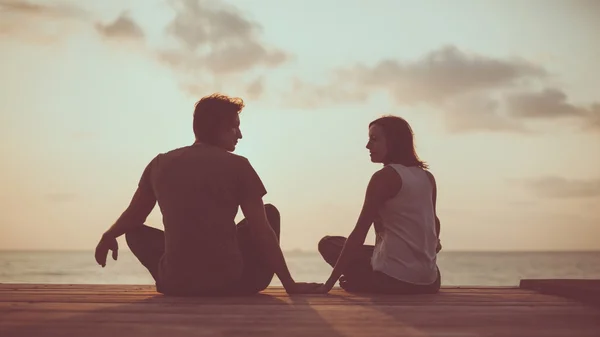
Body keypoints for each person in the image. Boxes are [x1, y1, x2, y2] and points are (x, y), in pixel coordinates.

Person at [94, 93, 322, 296]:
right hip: (231, 282)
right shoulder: (239, 165)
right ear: (218, 128)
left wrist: (109, 234)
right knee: (268, 213)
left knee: (131, 230)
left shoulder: (159, 163)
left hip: (175, 284)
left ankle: (180, 275)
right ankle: (210, 277)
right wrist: (290, 284)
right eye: (235, 126)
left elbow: (134, 216)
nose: (240, 135)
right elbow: (261, 230)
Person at [317, 115, 442, 294]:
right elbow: (434, 224)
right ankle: (363, 280)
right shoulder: (427, 177)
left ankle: (364, 282)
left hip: (393, 279)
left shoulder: (384, 177)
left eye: (374, 140)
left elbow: (359, 233)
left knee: (328, 244)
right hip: (430, 281)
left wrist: (327, 284)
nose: (368, 146)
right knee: (363, 252)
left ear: (393, 142)